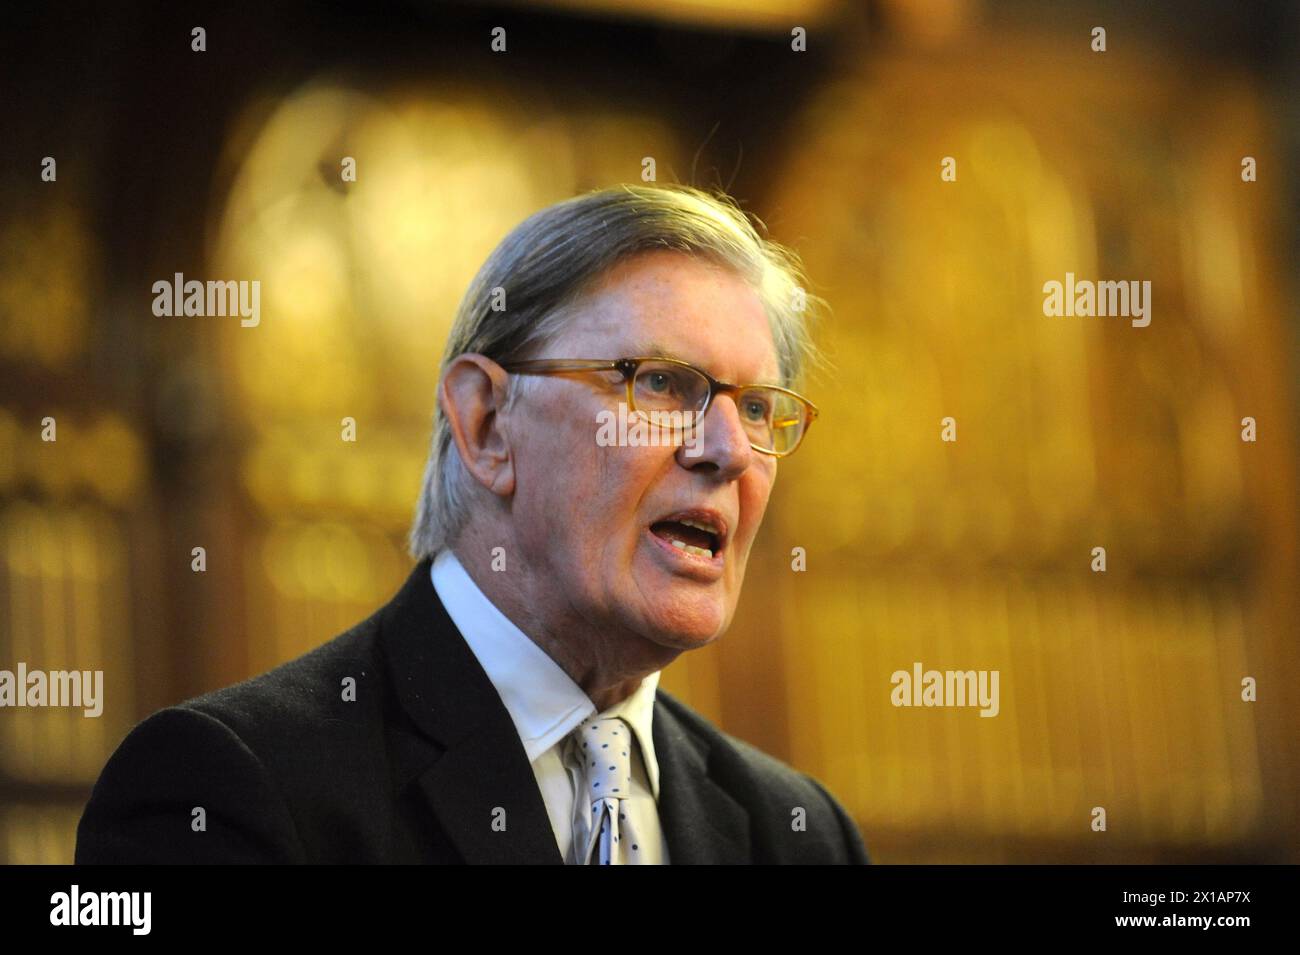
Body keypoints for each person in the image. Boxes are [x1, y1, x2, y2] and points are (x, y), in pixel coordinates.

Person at [76, 183, 869, 864]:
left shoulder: (798, 835)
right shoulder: (228, 789)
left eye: (758, 408)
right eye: (661, 383)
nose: (728, 449)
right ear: (488, 423)